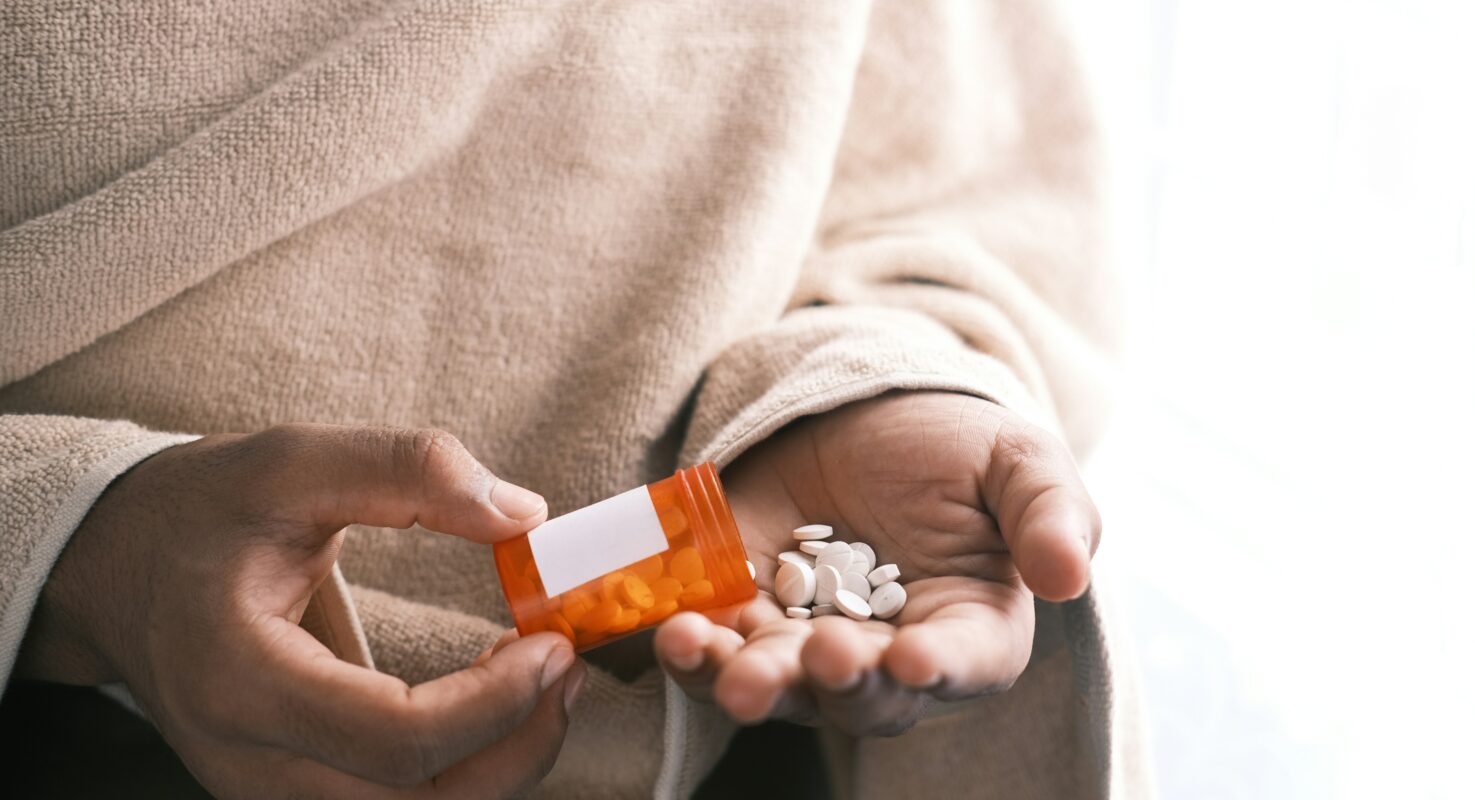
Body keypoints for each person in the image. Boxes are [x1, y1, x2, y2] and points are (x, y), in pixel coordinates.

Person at [0, 1, 1146, 797]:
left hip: (739, 740)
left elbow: (967, 188)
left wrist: (865, 390)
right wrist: (73, 540)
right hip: (70, 730)